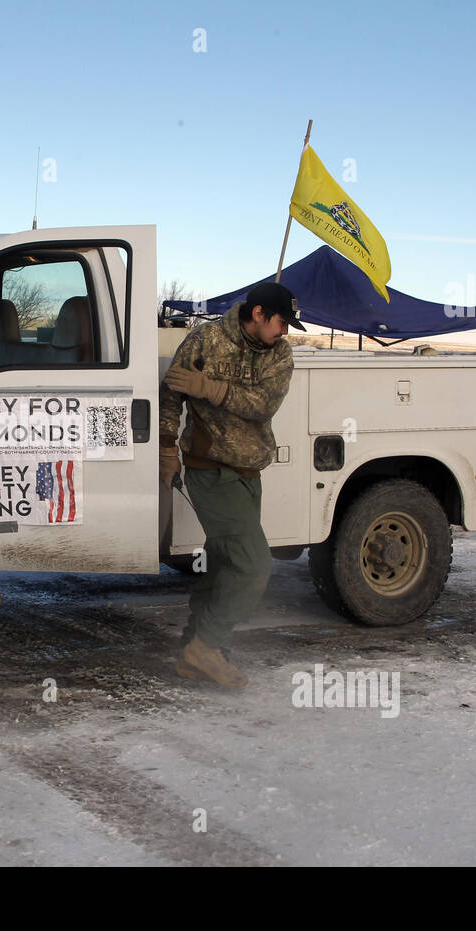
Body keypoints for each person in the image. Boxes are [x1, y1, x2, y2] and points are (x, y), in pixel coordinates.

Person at [159, 281, 303, 686]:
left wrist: (210, 388)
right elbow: (171, 396)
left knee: (226, 565)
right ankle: (206, 648)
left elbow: (264, 405)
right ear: (258, 314)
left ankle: (194, 650)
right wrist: (167, 449)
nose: (285, 331)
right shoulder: (205, 339)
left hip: (249, 472)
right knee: (253, 564)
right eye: (280, 322)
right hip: (211, 470)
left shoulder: (281, 353)